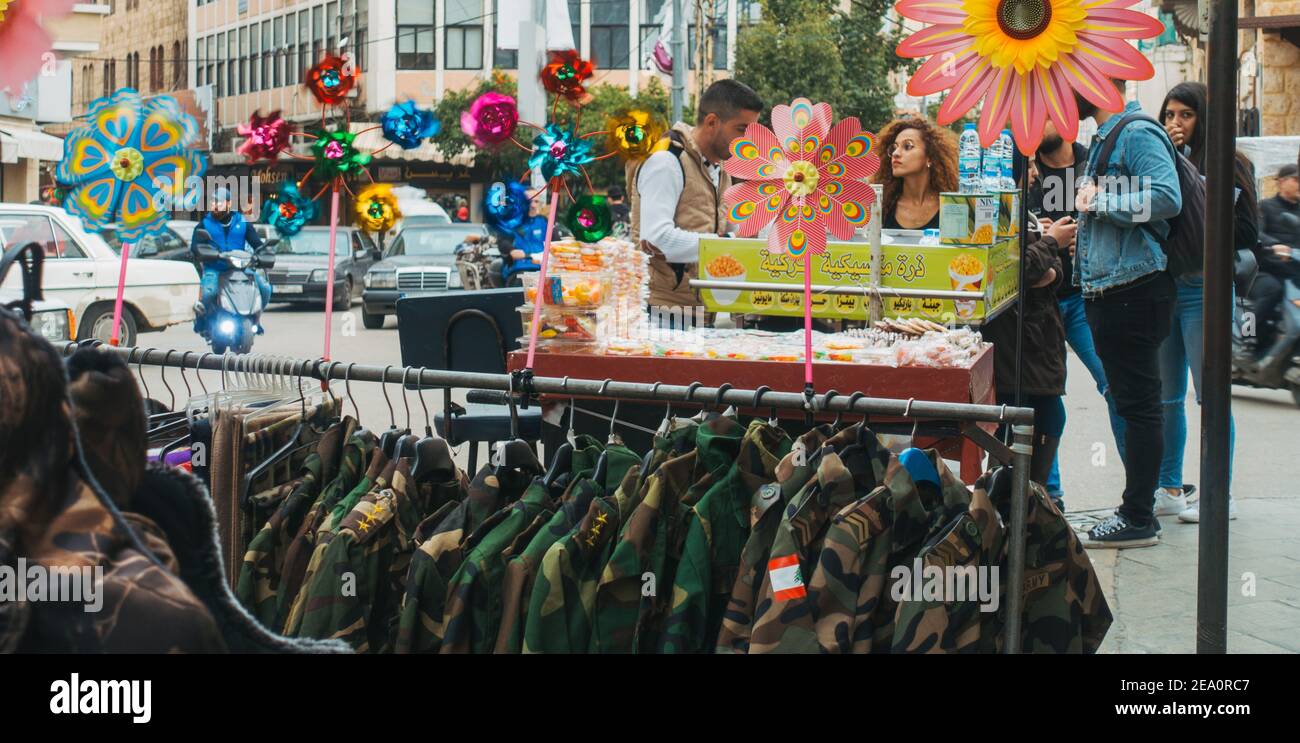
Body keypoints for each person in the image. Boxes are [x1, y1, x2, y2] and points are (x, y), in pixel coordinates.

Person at [1074, 79, 1182, 548]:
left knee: (1139, 405)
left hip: (1134, 289)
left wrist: (1100, 201)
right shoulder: (1105, 139)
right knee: (1131, 401)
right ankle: (1137, 509)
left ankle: (1139, 516)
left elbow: (1167, 196)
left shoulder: (1137, 132)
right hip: (1111, 289)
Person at [1148, 82, 1245, 523]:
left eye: (1184, 115)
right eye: (1168, 115)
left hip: (1205, 290)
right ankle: (1169, 487)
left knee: (1211, 395)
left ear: (1202, 118)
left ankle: (1216, 494)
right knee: (1167, 396)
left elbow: (1246, 233)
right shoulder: (1159, 163)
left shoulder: (1229, 163)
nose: (1174, 124)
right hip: (1167, 289)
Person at [1030, 119, 1124, 507]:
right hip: (1038, 304)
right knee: (1039, 399)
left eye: (1051, 112)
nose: (1043, 120)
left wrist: (1085, 239)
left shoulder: (1096, 166)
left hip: (1086, 298)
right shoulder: (1024, 169)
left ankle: (1141, 487)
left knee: (1116, 386)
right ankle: (1048, 496)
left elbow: (1122, 221)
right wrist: (1043, 236)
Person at [629, 79, 764, 327]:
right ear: (712, 122)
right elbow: (656, 238)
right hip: (663, 313)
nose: (749, 141)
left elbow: (728, 228)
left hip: (702, 312)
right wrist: (727, 244)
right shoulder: (667, 161)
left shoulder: (721, 168)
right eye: (742, 130)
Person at [982, 167, 1076, 500]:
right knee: (1015, 430)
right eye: (1030, 163)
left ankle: (1036, 505)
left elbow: (1052, 272)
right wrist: (1051, 244)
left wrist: (1046, 259)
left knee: (1048, 420)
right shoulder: (994, 207)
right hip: (1016, 346)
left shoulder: (1027, 212)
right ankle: (1019, 509)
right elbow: (1010, 272)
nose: (1036, 172)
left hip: (1039, 341)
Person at [191, 187, 269, 334]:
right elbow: (195, 246)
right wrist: (204, 253)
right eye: (212, 202)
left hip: (240, 268)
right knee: (209, 293)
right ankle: (202, 322)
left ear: (228, 203)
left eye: (218, 202)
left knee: (264, 289)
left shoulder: (242, 223)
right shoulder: (204, 224)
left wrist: (263, 253)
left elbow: (257, 244)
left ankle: (255, 320)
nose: (214, 205)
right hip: (215, 268)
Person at [873, 117, 958, 231]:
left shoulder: (952, 206)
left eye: (907, 146)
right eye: (894, 148)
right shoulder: (879, 204)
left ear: (930, 157)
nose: (896, 153)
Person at [1253, 162, 1300, 354]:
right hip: (1267, 269)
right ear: (1281, 182)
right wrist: (1275, 246)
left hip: (1294, 272)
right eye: (1296, 180)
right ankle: (1248, 338)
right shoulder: (1265, 206)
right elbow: (1256, 234)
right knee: (1272, 290)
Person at [499, 196, 548, 286]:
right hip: (520, 269)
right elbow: (503, 241)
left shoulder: (544, 222)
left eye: (536, 201)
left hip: (544, 269)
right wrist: (512, 250)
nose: (532, 205)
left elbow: (557, 241)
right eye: (529, 201)